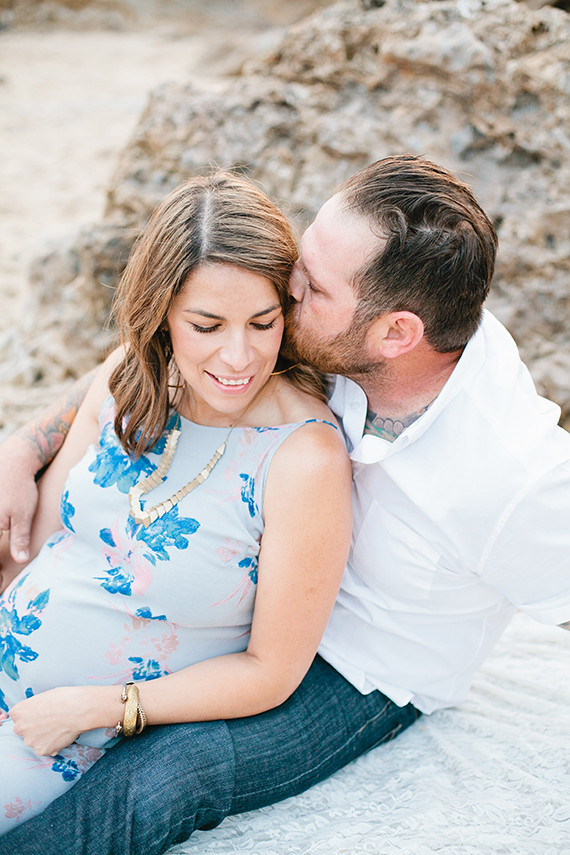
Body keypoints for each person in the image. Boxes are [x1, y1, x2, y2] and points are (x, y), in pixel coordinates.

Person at [0, 154, 568, 854]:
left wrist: (116, 705)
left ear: (395, 335)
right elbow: (160, 344)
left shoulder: (510, 478)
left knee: (170, 774)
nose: (286, 286)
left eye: (306, 287)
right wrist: (25, 444)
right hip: (225, 599)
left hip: (357, 671)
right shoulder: (317, 342)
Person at [0, 171, 354, 835]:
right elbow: (38, 547)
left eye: (263, 321)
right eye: (207, 324)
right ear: (163, 311)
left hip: (66, 732)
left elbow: (271, 670)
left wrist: (103, 707)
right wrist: (21, 447)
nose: (238, 354)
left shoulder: (303, 458)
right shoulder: (127, 380)